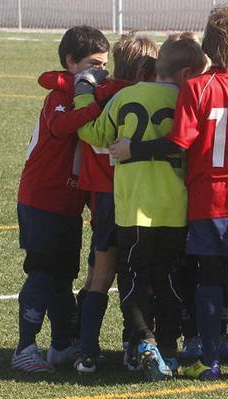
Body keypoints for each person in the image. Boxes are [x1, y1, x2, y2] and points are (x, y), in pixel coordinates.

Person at [109, 3, 228, 381]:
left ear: (209, 45)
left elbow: (179, 143)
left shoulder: (198, 86)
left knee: (209, 277)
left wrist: (136, 149)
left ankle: (209, 360)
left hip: (208, 200)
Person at [79, 32, 206, 381]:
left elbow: (91, 133)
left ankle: (143, 342)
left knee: (133, 278)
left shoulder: (126, 96)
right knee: (168, 279)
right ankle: (167, 346)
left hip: (133, 207)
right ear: (185, 74)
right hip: (175, 207)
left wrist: (82, 95)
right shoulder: (187, 100)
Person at [12, 25, 109, 373]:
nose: (100, 72)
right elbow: (60, 127)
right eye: (93, 64)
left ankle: (61, 346)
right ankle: (24, 348)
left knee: (63, 277)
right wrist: (94, 110)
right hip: (42, 200)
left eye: (104, 65)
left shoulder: (89, 93)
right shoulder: (60, 96)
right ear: (70, 62)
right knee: (42, 272)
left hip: (69, 205)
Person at [71, 33, 158, 374]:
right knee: (138, 275)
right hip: (136, 196)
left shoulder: (99, 94)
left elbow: (86, 130)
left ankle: (86, 350)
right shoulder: (148, 98)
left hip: (103, 202)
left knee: (100, 275)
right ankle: (131, 346)